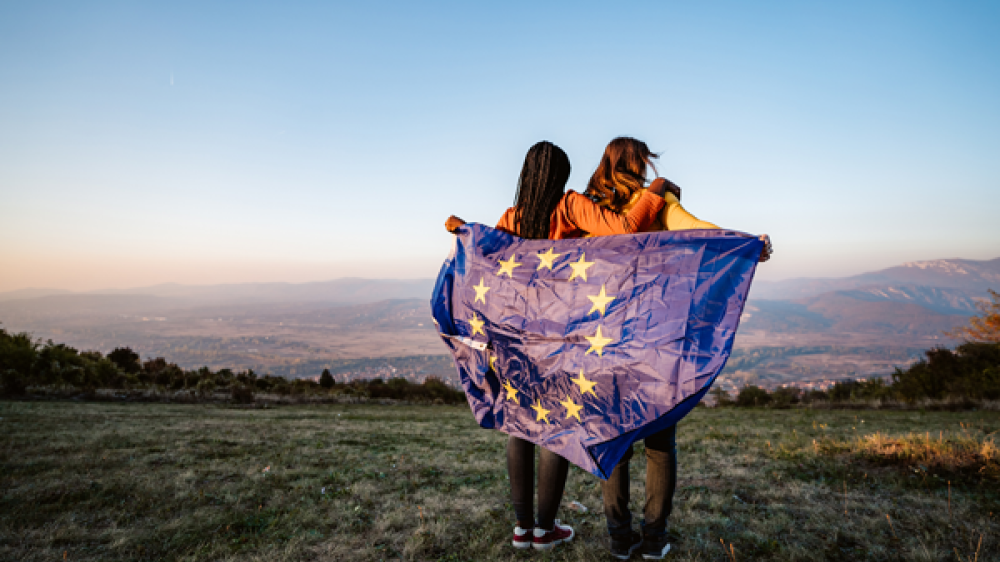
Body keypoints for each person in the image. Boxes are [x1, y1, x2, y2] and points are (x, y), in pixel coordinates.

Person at [445, 140, 671, 551]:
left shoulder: (510, 217)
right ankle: (545, 529)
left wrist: (465, 230)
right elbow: (623, 230)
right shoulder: (568, 206)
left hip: (515, 338)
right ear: (560, 176)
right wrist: (655, 193)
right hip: (558, 338)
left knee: (521, 425)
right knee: (554, 427)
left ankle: (522, 528)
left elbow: (490, 258)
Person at [584, 136, 772, 560]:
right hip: (654, 340)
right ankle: (653, 539)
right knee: (659, 442)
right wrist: (746, 243)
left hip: (601, 345)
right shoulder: (658, 203)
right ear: (638, 163)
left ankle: (618, 538)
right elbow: (699, 229)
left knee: (611, 437)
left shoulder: (587, 207)